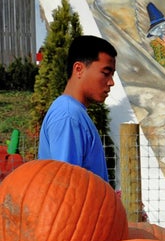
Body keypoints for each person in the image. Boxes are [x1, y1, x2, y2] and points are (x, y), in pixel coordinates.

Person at [38, 35, 117, 183]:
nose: (111, 82)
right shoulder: (68, 115)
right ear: (79, 69)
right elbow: (66, 187)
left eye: (112, 75)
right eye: (106, 73)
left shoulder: (74, 112)